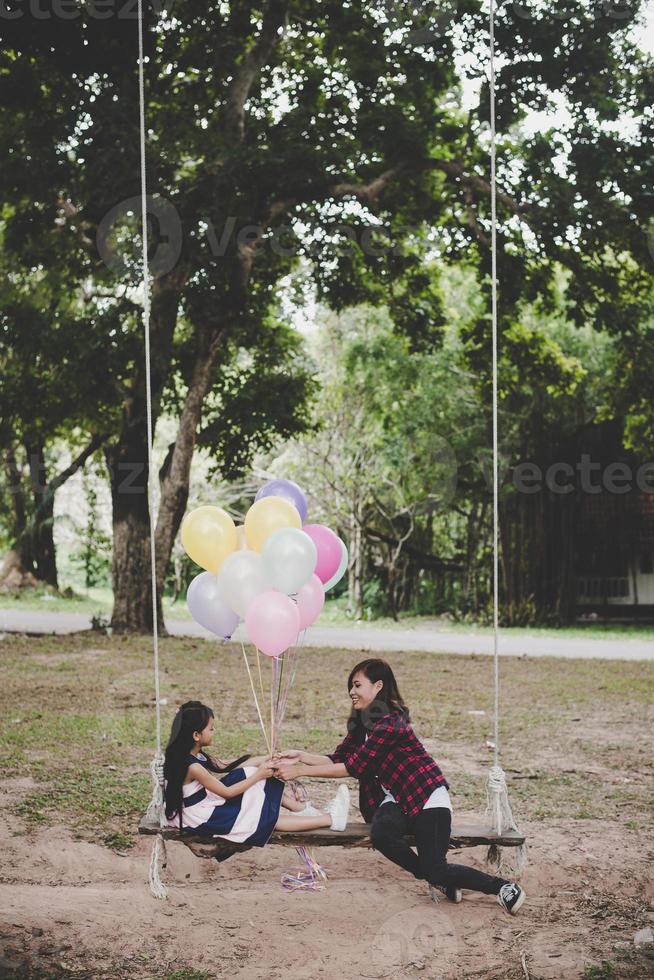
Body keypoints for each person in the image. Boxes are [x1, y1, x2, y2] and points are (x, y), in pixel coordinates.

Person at [274, 659, 525, 915]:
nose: (351, 691)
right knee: (381, 835)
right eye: (351, 685)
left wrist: (300, 771)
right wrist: (301, 756)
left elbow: (354, 768)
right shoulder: (363, 725)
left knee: (435, 866)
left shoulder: (391, 723)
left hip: (427, 797)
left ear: (378, 686)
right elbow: (340, 759)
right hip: (397, 801)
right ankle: (441, 879)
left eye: (357, 684)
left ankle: (502, 888)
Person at [163, 700, 349, 847]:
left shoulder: (192, 755)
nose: (214, 732)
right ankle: (329, 819)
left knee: (248, 774)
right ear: (196, 735)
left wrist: (264, 760)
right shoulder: (192, 766)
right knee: (264, 816)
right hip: (202, 816)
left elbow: (227, 766)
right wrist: (258, 775)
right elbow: (226, 793)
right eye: (211, 729)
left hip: (205, 804)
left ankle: (303, 811)